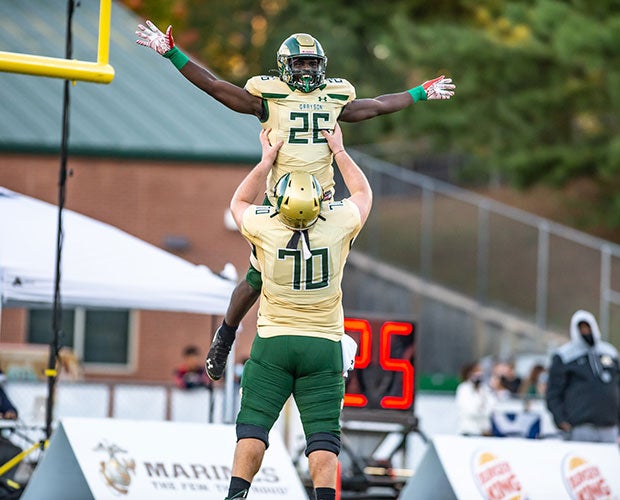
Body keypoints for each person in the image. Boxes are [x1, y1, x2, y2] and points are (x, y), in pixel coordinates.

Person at [135, 22, 455, 380]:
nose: (306, 70)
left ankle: (332, 341)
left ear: (322, 65)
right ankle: (226, 335)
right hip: (280, 201)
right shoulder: (267, 98)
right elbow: (215, 87)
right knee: (257, 277)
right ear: (285, 66)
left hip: (325, 200)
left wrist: (419, 92)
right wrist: (173, 54)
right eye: (299, 64)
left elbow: (377, 106)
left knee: (330, 273)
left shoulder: (335, 98)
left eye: (311, 63)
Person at [221, 122, 371, 500]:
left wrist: (266, 160)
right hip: (322, 344)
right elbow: (362, 192)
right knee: (323, 436)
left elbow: (239, 202)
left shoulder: (264, 228)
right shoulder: (338, 225)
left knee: (253, 428)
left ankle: (236, 495)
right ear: (320, 202)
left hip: (274, 341)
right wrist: (338, 150)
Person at [545, 309, 620, 443]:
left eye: (587, 327)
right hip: (581, 427)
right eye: (581, 328)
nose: (586, 332)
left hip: (610, 427)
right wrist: (560, 419)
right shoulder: (565, 356)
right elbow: (553, 392)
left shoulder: (610, 353)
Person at [455, 361, 497, 436]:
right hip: (469, 430)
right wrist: (481, 410)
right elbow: (469, 410)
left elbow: (492, 407)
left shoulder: (485, 389)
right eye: (476, 371)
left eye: (480, 371)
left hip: (485, 432)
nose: (479, 373)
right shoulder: (463, 389)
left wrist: (484, 411)